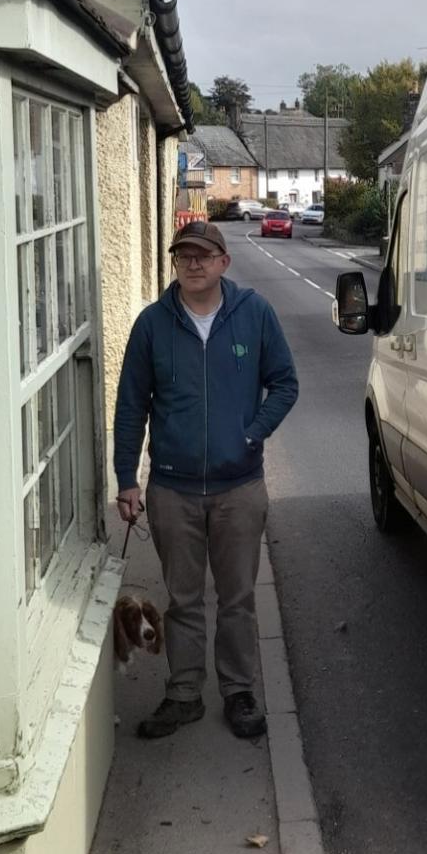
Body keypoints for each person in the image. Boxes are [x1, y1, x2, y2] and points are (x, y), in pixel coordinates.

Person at [114, 220, 298, 739]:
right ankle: (184, 693)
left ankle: (239, 691)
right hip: (172, 489)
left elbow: (284, 384)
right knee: (183, 600)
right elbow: (131, 406)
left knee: (238, 598)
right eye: (183, 255)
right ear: (175, 264)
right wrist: (127, 478)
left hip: (239, 488)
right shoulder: (152, 324)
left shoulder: (254, 315)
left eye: (203, 255)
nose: (193, 263)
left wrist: (252, 433)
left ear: (223, 262)